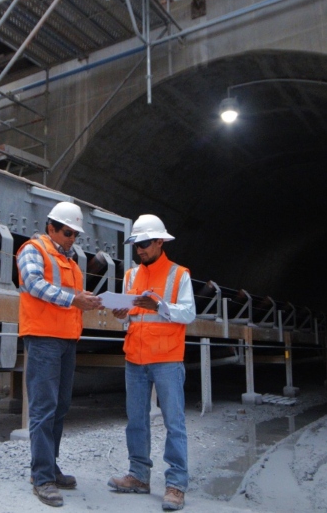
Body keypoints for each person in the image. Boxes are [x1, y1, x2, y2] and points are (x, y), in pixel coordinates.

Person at [17, 201, 103, 507]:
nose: (72, 238)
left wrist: (90, 302)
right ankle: (42, 477)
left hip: (66, 340)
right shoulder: (33, 249)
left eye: (75, 234)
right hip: (42, 339)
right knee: (43, 407)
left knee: (60, 405)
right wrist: (73, 299)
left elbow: (72, 299)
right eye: (68, 232)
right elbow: (33, 284)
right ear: (51, 227)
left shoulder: (71, 262)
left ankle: (49, 465)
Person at [107, 214, 195, 511]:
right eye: (136, 245)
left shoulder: (179, 275)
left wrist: (159, 305)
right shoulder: (131, 276)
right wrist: (122, 313)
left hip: (167, 359)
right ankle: (139, 476)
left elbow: (188, 314)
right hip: (135, 357)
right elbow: (131, 314)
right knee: (136, 420)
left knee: (174, 423)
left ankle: (176, 484)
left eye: (144, 244)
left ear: (159, 241)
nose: (140, 250)